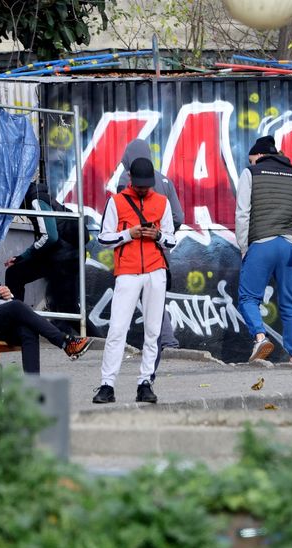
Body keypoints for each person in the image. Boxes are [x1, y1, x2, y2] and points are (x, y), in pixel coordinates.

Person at [0, 226, 92, 373]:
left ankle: (32, 389)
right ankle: (65, 342)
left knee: (27, 330)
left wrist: (6, 294)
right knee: (16, 307)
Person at [92, 157, 176, 404]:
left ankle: (145, 382)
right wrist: (129, 234)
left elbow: (172, 240)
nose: (142, 189)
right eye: (139, 184)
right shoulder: (116, 202)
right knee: (117, 329)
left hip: (155, 271)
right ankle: (107, 384)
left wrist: (157, 235)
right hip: (127, 271)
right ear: (130, 179)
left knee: (153, 331)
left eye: (146, 185)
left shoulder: (162, 202)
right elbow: (103, 239)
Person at [234, 135, 292, 367]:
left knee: (248, 298)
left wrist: (244, 247)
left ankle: (260, 337)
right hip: (290, 247)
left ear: (259, 155)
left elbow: (242, 214)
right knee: (289, 301)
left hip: (262, 244)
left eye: (252, 159)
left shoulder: (251, 173)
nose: (251, 163)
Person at [116, 139, 183, 381]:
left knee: (141, 302)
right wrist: (161, 233)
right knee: (157, 298)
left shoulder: (127, 180)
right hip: (161, 249)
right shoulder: (164, 179)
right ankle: (167, 341)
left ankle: (167, 342)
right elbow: (179, 216)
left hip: (135, 252)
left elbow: (121, 215)